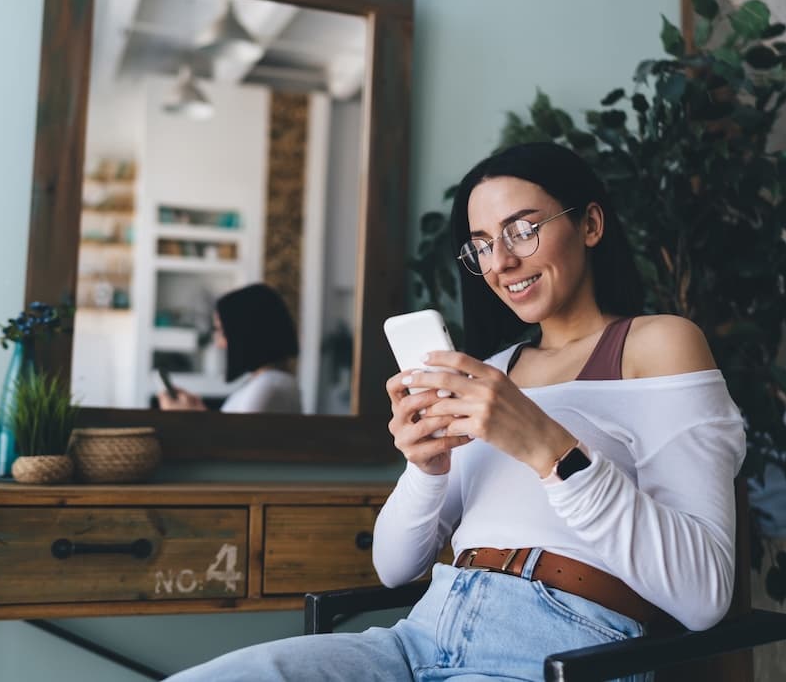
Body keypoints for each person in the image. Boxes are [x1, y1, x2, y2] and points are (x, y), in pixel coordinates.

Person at [162, 142, 745, 681]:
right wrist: (426, 467)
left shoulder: (659, 344)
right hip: (418, 635)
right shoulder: (493, 370)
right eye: (484, 243)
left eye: (523, 230)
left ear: (590, 224)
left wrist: (546, 448)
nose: (502, 262)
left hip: (559, 649)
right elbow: (394, 568)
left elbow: (704, 595)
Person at [158, 283, 302, 414]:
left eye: (221, 331)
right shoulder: (269, 382)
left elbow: (233, 441)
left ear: (248, 332)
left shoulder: (269, 387)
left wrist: (186, 417)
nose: (220, 344)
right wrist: (199, 411)